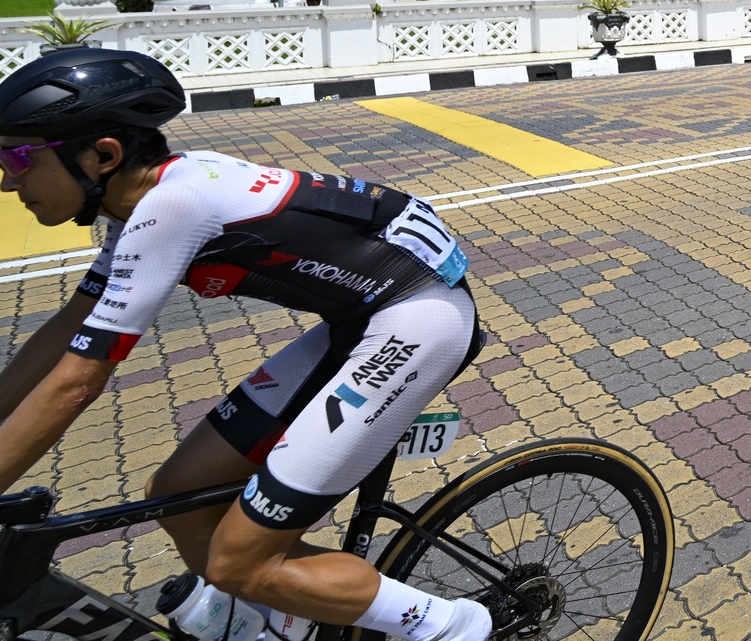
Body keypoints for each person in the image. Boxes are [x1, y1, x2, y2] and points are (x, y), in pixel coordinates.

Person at [0, 50, 491, 641]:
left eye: (19, 157)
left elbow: (77, 380)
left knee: (241, 560)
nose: (9, 179)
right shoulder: (136, 208)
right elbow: (64, 332)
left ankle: (457, 626)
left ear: (102, 155)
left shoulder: (173, 205)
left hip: (420, 317)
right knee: (177, 495)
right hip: (360, 318)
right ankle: (283, 624)